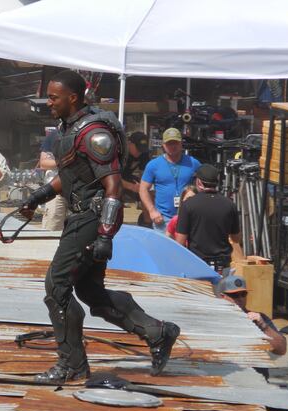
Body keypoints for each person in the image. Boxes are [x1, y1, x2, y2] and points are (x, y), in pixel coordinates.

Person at [19, 70, 180, 384]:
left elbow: (113, 186)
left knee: (57, 287)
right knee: (90, 291)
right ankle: (158, 332)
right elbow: (74, 176)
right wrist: (38, 196)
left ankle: (72, 364)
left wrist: (105, 234)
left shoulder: (94, 134)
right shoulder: (73, 129)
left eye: (54, 97)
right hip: (84, 216)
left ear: (73, 98)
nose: (48, 102)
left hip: (92, 219)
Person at [175, 164, 244, 273]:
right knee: (221, 289)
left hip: (197, 263)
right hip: (222, 264)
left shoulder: (188, 205)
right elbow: (236, 239)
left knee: (200, 290)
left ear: (198, 182)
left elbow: (180, 241)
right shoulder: (229, 204)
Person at [139, 128, 201, 232]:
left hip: (188, 218)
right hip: (163, 219)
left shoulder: (193, 163)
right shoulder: (153, 165)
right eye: (169, 143)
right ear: (163, 145)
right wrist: (152, 211)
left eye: (175, 143)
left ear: (181, 143)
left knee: (185, 248)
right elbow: (143, 189)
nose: (173, 146)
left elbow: (204, 181)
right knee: (163, 248)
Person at [39, 130, 67, 230]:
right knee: (51, 228)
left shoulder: (85, 132)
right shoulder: (55, 135)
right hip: (55, 190)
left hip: (79, 190)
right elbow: (43, 163)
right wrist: (65, 161)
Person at [121, 131, 151, 227]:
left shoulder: (144, 153)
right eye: (137, 149)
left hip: (127, 177)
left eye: (142, 149)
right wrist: (131, 187)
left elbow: (144, 174)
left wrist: (143, 187)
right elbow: (113, 177)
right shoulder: (119, 152)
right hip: (112, 178)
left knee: (147, 192)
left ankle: (147, 223)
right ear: (129, 143)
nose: (139, 152)